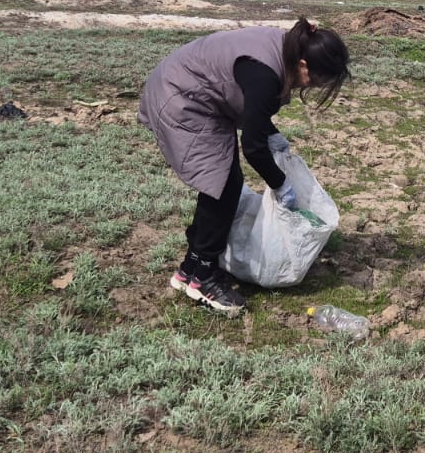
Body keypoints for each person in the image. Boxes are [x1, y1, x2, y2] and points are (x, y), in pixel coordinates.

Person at [138, 17, 349, 315]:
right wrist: (280, 184)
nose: (312, 86)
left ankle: (189, 270)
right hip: (183, 99)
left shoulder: (288, 46)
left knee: (224, 185)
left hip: (193, 90)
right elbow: (252, 146)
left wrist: (272, 134)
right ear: (303, 65)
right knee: (222, 187)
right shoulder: (266, 74)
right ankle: (202, 280)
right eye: (314, 80)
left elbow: (253, 111)